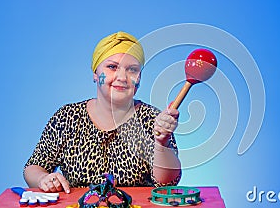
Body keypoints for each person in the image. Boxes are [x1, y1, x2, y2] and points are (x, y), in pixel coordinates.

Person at [23, 31, 182, 193]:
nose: (122, 77)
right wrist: (43, 178)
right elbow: (33, 167)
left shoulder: (153, 119)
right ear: (95, 73)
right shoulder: (67, 116)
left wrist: (163, 142)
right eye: (112, 67)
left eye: (132, 70)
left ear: (139, 77)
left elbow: (166, 185)